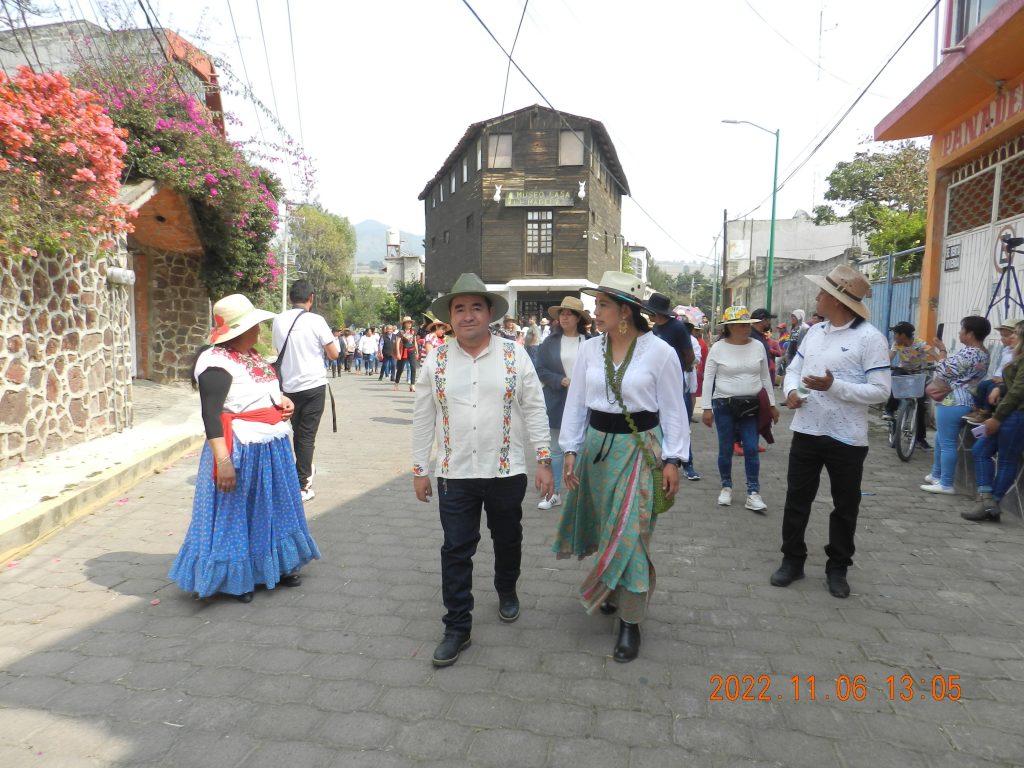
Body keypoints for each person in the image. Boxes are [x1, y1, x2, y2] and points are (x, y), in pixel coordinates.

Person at [412, 273, 553, 667]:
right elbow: (423, 416)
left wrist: (544, 460)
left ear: (490, 314)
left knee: (508, 538)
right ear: (451, 317)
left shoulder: (514, 355)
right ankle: (457, 627)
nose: (468, 315)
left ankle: (506, 588)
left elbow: (535, 408)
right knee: (456, 548)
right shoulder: (436, 359)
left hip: (506, 471)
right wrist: (420, 469)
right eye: (460, 309)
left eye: (476, 307)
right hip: (454, 473)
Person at [554, 271, 689, 663]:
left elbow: (674, 410)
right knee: (608, 525)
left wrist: (673, 459)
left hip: (639, 451)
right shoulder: (589, 349)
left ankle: (630, 621)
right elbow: (577, 402)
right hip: (597, 449)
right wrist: (570, 449)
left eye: (603, 305)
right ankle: (611, 589)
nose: (595, 312)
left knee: (632, 531)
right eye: (596, 304)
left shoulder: (660, 352)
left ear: (626, 311)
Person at [169, 294, 320, 602]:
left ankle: (276, 567)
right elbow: (211, 415)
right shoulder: (216, 364)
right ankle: (236, 578)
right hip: (241, 448)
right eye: (254, 325)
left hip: (271, 445)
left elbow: (261, 393)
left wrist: (282, 402)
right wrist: (223, 462)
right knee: (237, 513)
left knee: (271, 509)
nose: (259, 330)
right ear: (238, 330)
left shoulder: (250, 356)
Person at [771, 265, 890, 599]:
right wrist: (791, 392)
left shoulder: (870, 338)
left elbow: (881, 391)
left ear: (838, 300)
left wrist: (834, 387)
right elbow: (795, 369)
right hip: (807, 430)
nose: (817, 298)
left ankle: (838, 567)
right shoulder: (814, 332)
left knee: (845, 506)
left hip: (847, 437)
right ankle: (792, 560)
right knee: (797, 500)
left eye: (822, 293)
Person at [700, 306, 778, 511]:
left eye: (748, 325)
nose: (747, 328)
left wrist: (772, 404)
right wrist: (706, 408)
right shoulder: (718, 348)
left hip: (750, 405)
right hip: (723, 405)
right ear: (730, 327)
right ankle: (726, 486)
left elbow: (765, 377)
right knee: (725, 448)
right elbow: (708, 378)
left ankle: (753, 492)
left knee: (751, 447)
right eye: (742, 325)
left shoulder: (758, 346)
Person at [272, 280, 339, 502]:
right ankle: (303, 485)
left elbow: (278, 349)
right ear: (311, 297)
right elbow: (334, 354)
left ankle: (304, 468)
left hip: (288, 388)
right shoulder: (316, 320)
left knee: (297, 433)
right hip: (313, 385)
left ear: (290, 298)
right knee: (306, 435)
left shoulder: (279, 320)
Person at [920, 315, 991, 494]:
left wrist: (939, 351)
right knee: (941, 438)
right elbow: (955, 369)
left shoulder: (970, 352)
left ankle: (946, 483)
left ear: (970, 333)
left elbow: (944, 371)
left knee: (947, 443)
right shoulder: (983, 353)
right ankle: (936, 474)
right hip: (968, 400)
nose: (959, 333)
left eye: (962, 329)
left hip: (954, 401)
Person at [534, 296, 590, 510]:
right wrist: (560, 380)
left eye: (569, 314)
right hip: (558, 401)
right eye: (562, 314)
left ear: (578, 318)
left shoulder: (590, 342)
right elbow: (540, 369)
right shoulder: (550, 342)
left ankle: (580, 497)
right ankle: (554, 493)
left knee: (583, 448)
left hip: (585, 403)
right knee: (556, 449)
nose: (564, 317)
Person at [966, 321, 1024, 523]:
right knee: (980, 450)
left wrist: (997, 417)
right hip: (1008, 412)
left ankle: (992, 503)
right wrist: (1000, 388)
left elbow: (1018, 392)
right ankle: (987, 500)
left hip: (1016, 415)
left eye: (1016, 333)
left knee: (1007, 460)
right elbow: (1014, 387)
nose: (1011, 336)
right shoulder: (1016, 357)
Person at [647, 293, 699, 481]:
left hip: (675, 380)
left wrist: (678, 371)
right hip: (656, 382)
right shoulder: (654, 329)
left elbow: (689, 355)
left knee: (679, 421)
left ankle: (688, 464)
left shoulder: (677, 327)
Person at [884, 321, 939, 450]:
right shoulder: (897, 344)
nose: (894, 336)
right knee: (895, 379)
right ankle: (889, 410)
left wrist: (941, 361)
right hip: (903, 370)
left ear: (903, 335)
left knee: (920, 406)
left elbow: (932, 353)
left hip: (919, 373)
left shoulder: (919, 343)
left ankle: (920, 439)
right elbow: (890, 356)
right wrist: (882, 363)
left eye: (896, 333)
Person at [965, 318, 1020, 424]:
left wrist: (1002, 379)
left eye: (1007, 336)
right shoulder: (1006, 350)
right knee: (982, 385)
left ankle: (986, 412)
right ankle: (978, 409)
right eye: (1002, 336)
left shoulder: (1017, 353)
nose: (1003, 339)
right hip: (998, 378)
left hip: (1005, 381)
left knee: (991, 388)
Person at [394, 316, 419, 392]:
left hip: (412, 351)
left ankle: (412, 384)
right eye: (408, 323)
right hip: (403, 351)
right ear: (404, 324)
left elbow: (415, 342)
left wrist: (417, 352)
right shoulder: (400, 332)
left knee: (413, 368)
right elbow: (397, 343)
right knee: (400, 369)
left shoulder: (413, 332)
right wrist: (398, 353)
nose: (409, 324)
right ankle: (396, 383)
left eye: (410, 323)